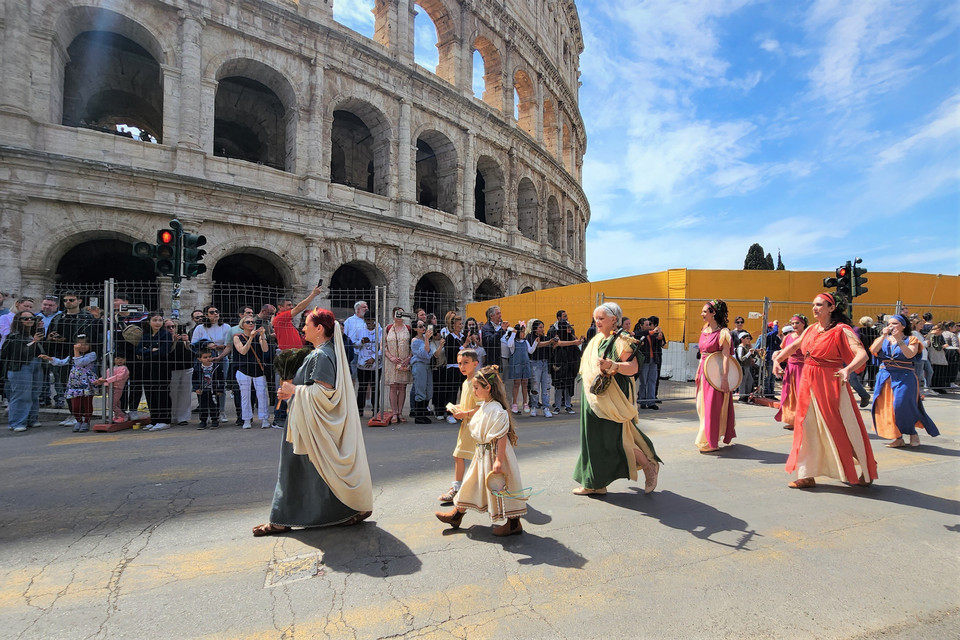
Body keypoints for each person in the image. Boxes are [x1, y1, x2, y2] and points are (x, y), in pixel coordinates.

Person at [253, 307, 373, 536]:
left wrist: (293, 389)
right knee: (317, 470)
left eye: (307, 324)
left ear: (319, 329)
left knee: (295, 468)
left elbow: (323, 392)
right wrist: (291, 392)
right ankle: (347, 509)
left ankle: (281, 519)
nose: (303, 327)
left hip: (310, 424)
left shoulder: (321, 355)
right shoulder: (324, 351)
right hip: (307, 421)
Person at [772, 293, 877, 489]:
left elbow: (862, 354)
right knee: (805, 428)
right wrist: (778, 359)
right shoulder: (811, 329)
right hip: (808, 381)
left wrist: (847, 369)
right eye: (813, 305)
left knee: (841, 428)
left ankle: (866, 469)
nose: (815, 308)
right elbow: (795, 345)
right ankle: (806, 475)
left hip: (830, 382)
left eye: (819, 304)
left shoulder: (841, 330)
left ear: (831, 308)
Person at [572, 303, 661, 496]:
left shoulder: (623, 341)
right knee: (592, 440)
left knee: (618, 441)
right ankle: (595, 484)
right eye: (596, 318)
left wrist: (613, 365)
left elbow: (633, 368)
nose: (597, 322)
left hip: (613, 400)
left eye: (601, 318)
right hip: (593, 397)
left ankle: (649, 466)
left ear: (614, 319)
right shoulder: (596, 340)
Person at [435, 365, 525, 536]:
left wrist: (498, 460)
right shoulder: (485, 405)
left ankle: (514, 523)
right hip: (482, 454)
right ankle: (457, 514)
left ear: (488, 387)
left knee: (504, 487)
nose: (474, 391)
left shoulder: (497, 410)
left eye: (476, 388)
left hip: (495, 455)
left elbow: (501, 436)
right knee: (471, 482)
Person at [869, 314, 940, 448]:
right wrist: (883, 336)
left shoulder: (911, 339)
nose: (891, 326)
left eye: (895, 324)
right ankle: (898, 438)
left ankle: (912, 432)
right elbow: (873, 350)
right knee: (888, 408)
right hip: (886, 375)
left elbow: (909, 354)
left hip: (905, 376)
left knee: (902, 405)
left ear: (903, 326)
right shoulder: (883, 339)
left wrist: (899, 340)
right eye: (889, 323)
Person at [438, 349, 481, 503]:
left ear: (475, 364)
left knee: (463, 456)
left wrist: (465, 413)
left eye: (466, 363)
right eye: (460, 363)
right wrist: (457, 408)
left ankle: (458, 489)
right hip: (467, 426)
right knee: (463, 456)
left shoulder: (477, 382)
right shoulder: (466, 382)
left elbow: (481, 407)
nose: (462, 366)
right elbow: (467, 405)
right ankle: (461, 488)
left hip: (475, 427)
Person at [694, 299, 737, 453]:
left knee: (712, 408)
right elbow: (702, 354)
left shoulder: (723, 333)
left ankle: (710, 441)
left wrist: (724, 378)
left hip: (716, 375)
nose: (702, 314)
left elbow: (726, 357)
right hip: (703, 372)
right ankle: (709, 436)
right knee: (701, 406)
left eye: (705, 311)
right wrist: (698, 371)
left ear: (713, 313)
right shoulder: (704, 330)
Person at [40, 335, 98, 432]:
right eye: (80, 344)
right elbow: (62, 362)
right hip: (74, 384)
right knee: (75, 405)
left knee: (86, 404)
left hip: (87, 384)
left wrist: (76, 351)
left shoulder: (91, 355)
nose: (82, 347)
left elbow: (80, 363)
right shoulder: (72, 356)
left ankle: (86, 421)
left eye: (86, 344)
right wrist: (50, 359)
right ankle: (78, 420)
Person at [1, 311, 44, 432]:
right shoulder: (14, 336)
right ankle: (17, 422)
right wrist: (33, 342)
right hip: (20, 367)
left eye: (31, 318)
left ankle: (31, 418)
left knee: (34, 394)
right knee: (21, 395)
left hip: (36, 364)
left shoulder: (33, 334)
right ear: (18, 321)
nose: (29, 320)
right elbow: (19, 354)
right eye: (25, 319)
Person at [192, 305, 232, 423]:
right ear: (206, 315)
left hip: (221, 358)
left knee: (220, 384)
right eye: (212, 312)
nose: (215, 314)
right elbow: (193, 344)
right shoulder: (200, 328)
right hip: (204, 360)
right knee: (203, 385)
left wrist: (217, 348)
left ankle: (221, 411)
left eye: (217, 311)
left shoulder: (226, 327)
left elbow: (228, 344)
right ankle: (205, 411)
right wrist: (206, 345)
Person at [233, 317, 273, 429]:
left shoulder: (258, 336)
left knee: (262, 394)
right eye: (248, 322)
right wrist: (250, 338)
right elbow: (243, 351)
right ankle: (246, 419)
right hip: (244, 369)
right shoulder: (237, 337)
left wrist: (263, 336)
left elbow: (265, 349)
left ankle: (264, 419)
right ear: (242, 325)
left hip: (258, 369)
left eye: (252, 322)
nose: (251, 324)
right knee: (245, 396)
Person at [138, 313, 173, 431]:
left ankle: (164, 420)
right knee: (149, 392)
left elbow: (163, 351)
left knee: (161, 392)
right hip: (148, 367)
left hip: (162, 367)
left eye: (160, 320)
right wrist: (152, 350)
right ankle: (154, 419)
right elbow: (139, 350)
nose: (158, 322)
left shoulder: (165, 335)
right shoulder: (146, 335)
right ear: (149, 321)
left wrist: (147, 350)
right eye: (155, 320)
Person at [772, 315, 808, 429]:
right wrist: (777, 353)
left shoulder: (807, 336)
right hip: (790, 368)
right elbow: (785, 350)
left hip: (803, 368)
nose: (794, 325)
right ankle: (792, 420)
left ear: (803, 324)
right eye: (792, 323)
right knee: (789, 394)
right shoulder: (788, 337)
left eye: (797, 323)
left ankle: (804, 420)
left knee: (801, 394)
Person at [547, 310, 583, 414]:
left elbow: (577, 349)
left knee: (568, 386)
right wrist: (574, 342)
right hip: (559, 366)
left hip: (569, 365)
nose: (569, 329)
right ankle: (557, 406)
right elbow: (558, 344)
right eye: (567, 328)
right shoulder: (554, 334)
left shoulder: (571, 335)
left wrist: (578, 343)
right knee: (559, 386)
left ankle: (568, 405)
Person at [383, 307, 412, 423]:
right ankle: (394, 412)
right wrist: (391, 357)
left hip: (405, 360)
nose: (399, 316)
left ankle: (400, 412)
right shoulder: (388, 328)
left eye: (401, 313)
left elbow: (413, 345)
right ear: (393, 315)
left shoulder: (408, 329)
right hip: (391, 361)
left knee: (402, 386)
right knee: (393, 386)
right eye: (397, 313)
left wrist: (409, 358)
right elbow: (383, 345)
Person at [166, 320, 195, 425]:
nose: (171, 329)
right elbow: (167, 352)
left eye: (173, 327)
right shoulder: (164, 338)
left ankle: (183, 417)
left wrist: (187, 341)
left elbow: (192, 350)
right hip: (173, 369)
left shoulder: (183, 337)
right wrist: (173, 342)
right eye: (168, 327)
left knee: (186, 394)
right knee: (173, 393)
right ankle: (173, 415)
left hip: (187, 367)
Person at [502, 322, 534, 414]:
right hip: (516, 365)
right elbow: (509, 344)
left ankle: (525, 402)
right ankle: (514, 403)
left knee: (525, 383)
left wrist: (535, 343)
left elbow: (530, 350)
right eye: (522, 332)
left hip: (525, 365)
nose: (524, 334)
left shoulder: (525, 342)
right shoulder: (513, 342)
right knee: (516, 384)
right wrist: (513, 333)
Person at [409, 319, 438, 423]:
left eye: (424, 326)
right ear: (415, 329)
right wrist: (426, 339)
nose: (423, 328)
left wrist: (427, 339)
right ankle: (419, 415)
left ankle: (423, 411)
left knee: (429, 390)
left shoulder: (426, 339)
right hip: (419, 365)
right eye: (420, 326)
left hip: (426, 365)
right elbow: (424, 354)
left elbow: (430, 353)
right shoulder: (415, 341)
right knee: (420, 389)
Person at [527, 319, 555, 418]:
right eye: (540, 327)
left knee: (546, 387)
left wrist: (553, 342)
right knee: (535, 386)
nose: (542, 329)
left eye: (543, 327)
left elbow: (551, 345)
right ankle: (534, 406)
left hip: (545, 363)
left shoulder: (545, 337)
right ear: (534, 329)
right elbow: (538, 345)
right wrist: (550, 342)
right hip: (535, 363)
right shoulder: (530, 337)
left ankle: (546, 407)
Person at [192, 349, 224, 430]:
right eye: (205, 357)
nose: (208, 359)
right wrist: (196, 388)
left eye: (210, 356)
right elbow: (194, 379)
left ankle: (215, 420)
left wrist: (220, 389)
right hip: (202, 390)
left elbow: (221, 379)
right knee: (203, 406)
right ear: (199, 359)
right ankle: (203, 421)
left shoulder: (217, 367)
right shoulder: (197, 368)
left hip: (213, 390)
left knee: (214, 405)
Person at [94, 354, 130, 423]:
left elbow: (119, 377)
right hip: (109, 387)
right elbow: (105, 377)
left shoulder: (124, 368)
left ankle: (122, 415)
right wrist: (98, 381)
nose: (120, 360)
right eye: (118, 358)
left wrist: (106, 380)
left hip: (117, 388)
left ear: (125, 360)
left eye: (122, 359)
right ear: (113, 360)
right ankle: (117, 416)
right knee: (116, 403)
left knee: (111, 404)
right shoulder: (110, 369)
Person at [735, 332, 757, 404]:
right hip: (742, 367)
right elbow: (741, 359)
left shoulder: (747, 347)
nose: (749, 340)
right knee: (743, 382)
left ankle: (746, 397)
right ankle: (742, 398)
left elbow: (751, 357)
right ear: (742, 339)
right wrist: (749, 353)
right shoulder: (740, 348)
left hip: (747, 367)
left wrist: (754, 352)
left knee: (749, 381)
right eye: (747, 338)